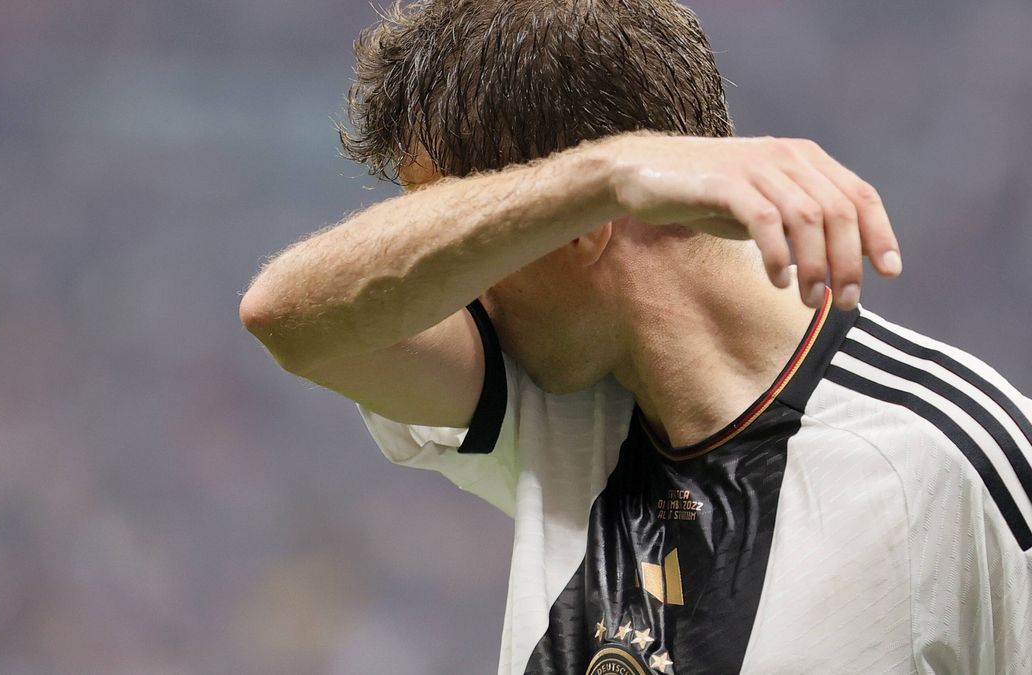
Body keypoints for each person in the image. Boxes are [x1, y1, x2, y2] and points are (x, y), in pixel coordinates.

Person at [239, 0, 1032, 673]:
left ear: (583, 229)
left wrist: (589, 184)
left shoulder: (948, 461)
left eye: (463, 237)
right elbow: (286, 315)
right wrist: (605, 172)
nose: (451, 289)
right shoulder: (552, 405)